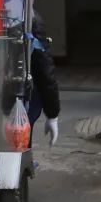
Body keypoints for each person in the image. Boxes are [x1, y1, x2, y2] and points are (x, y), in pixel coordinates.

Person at [28, 11, 60, 147]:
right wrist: (52, 115)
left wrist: (52, 113)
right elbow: (45, 70)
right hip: (22, 96)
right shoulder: (31, 19)